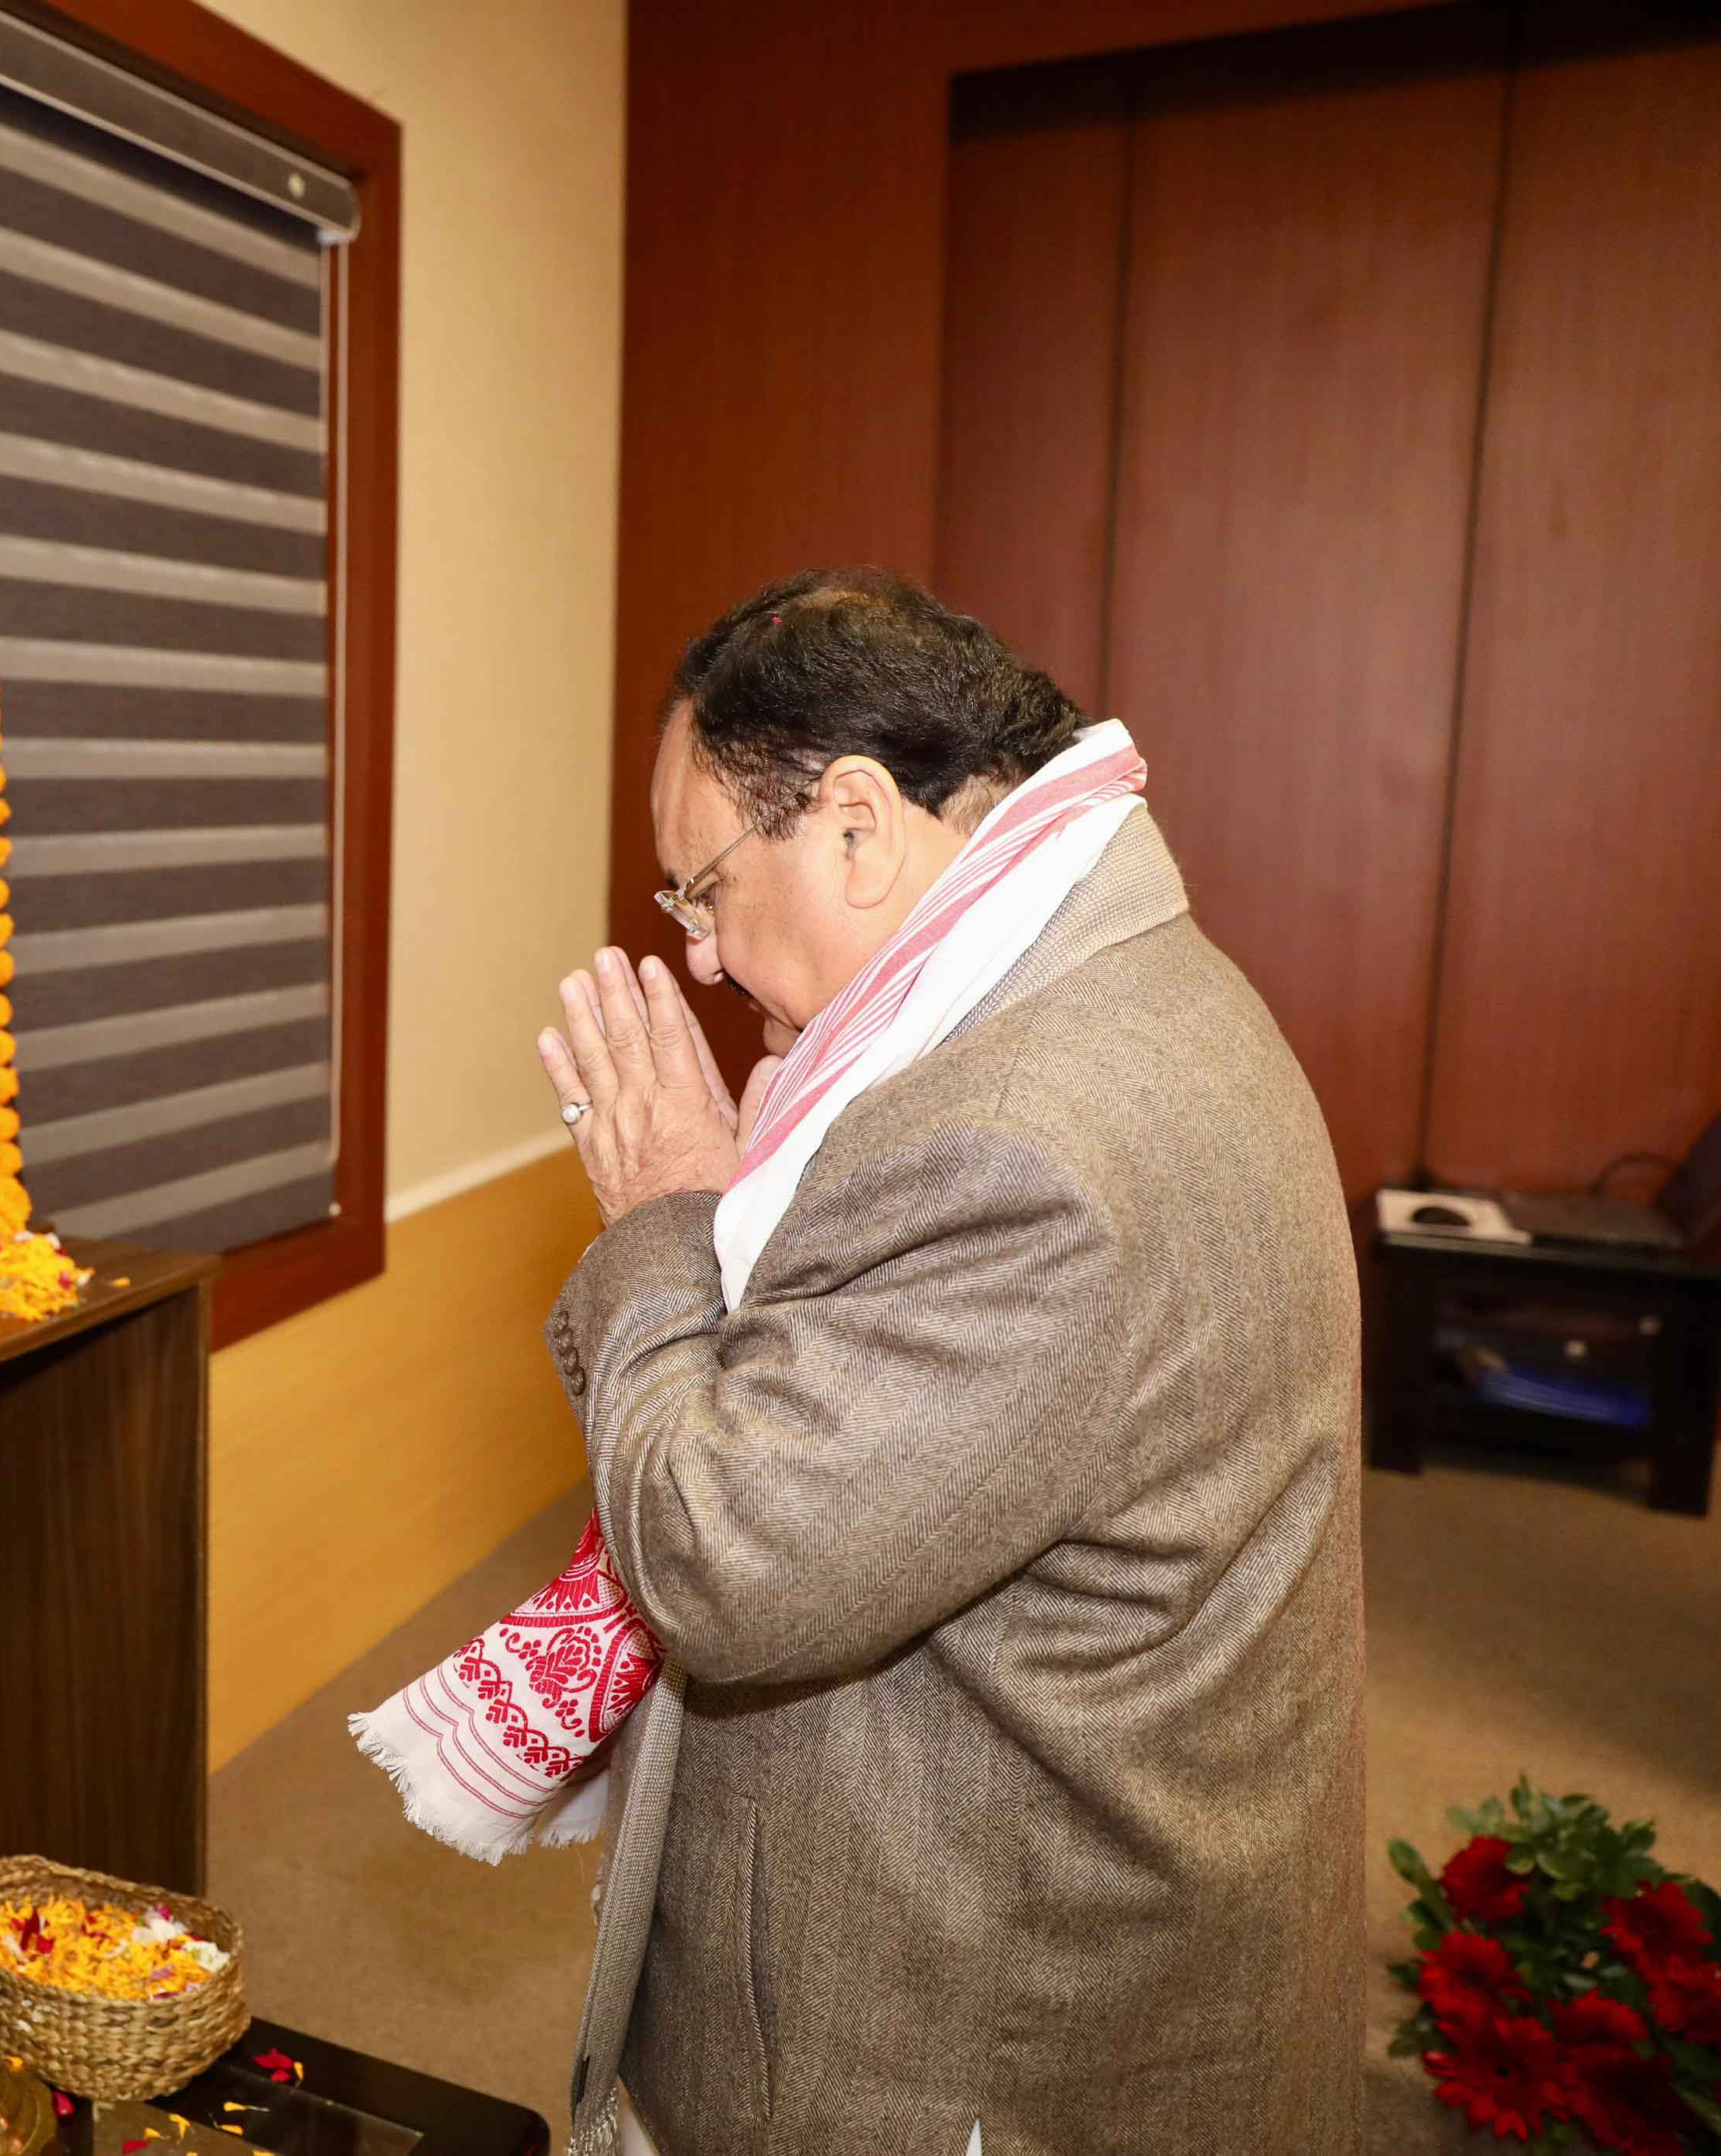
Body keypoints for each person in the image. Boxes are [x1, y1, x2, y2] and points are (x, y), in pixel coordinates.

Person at [525, 574, 1363, 2154]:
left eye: (697, 888)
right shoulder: (1118, 983)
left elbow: (723, 1554)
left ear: (852, 821)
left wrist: (670, 1219)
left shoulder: (1007, 1135)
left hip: (969, 2031)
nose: (697, 960)